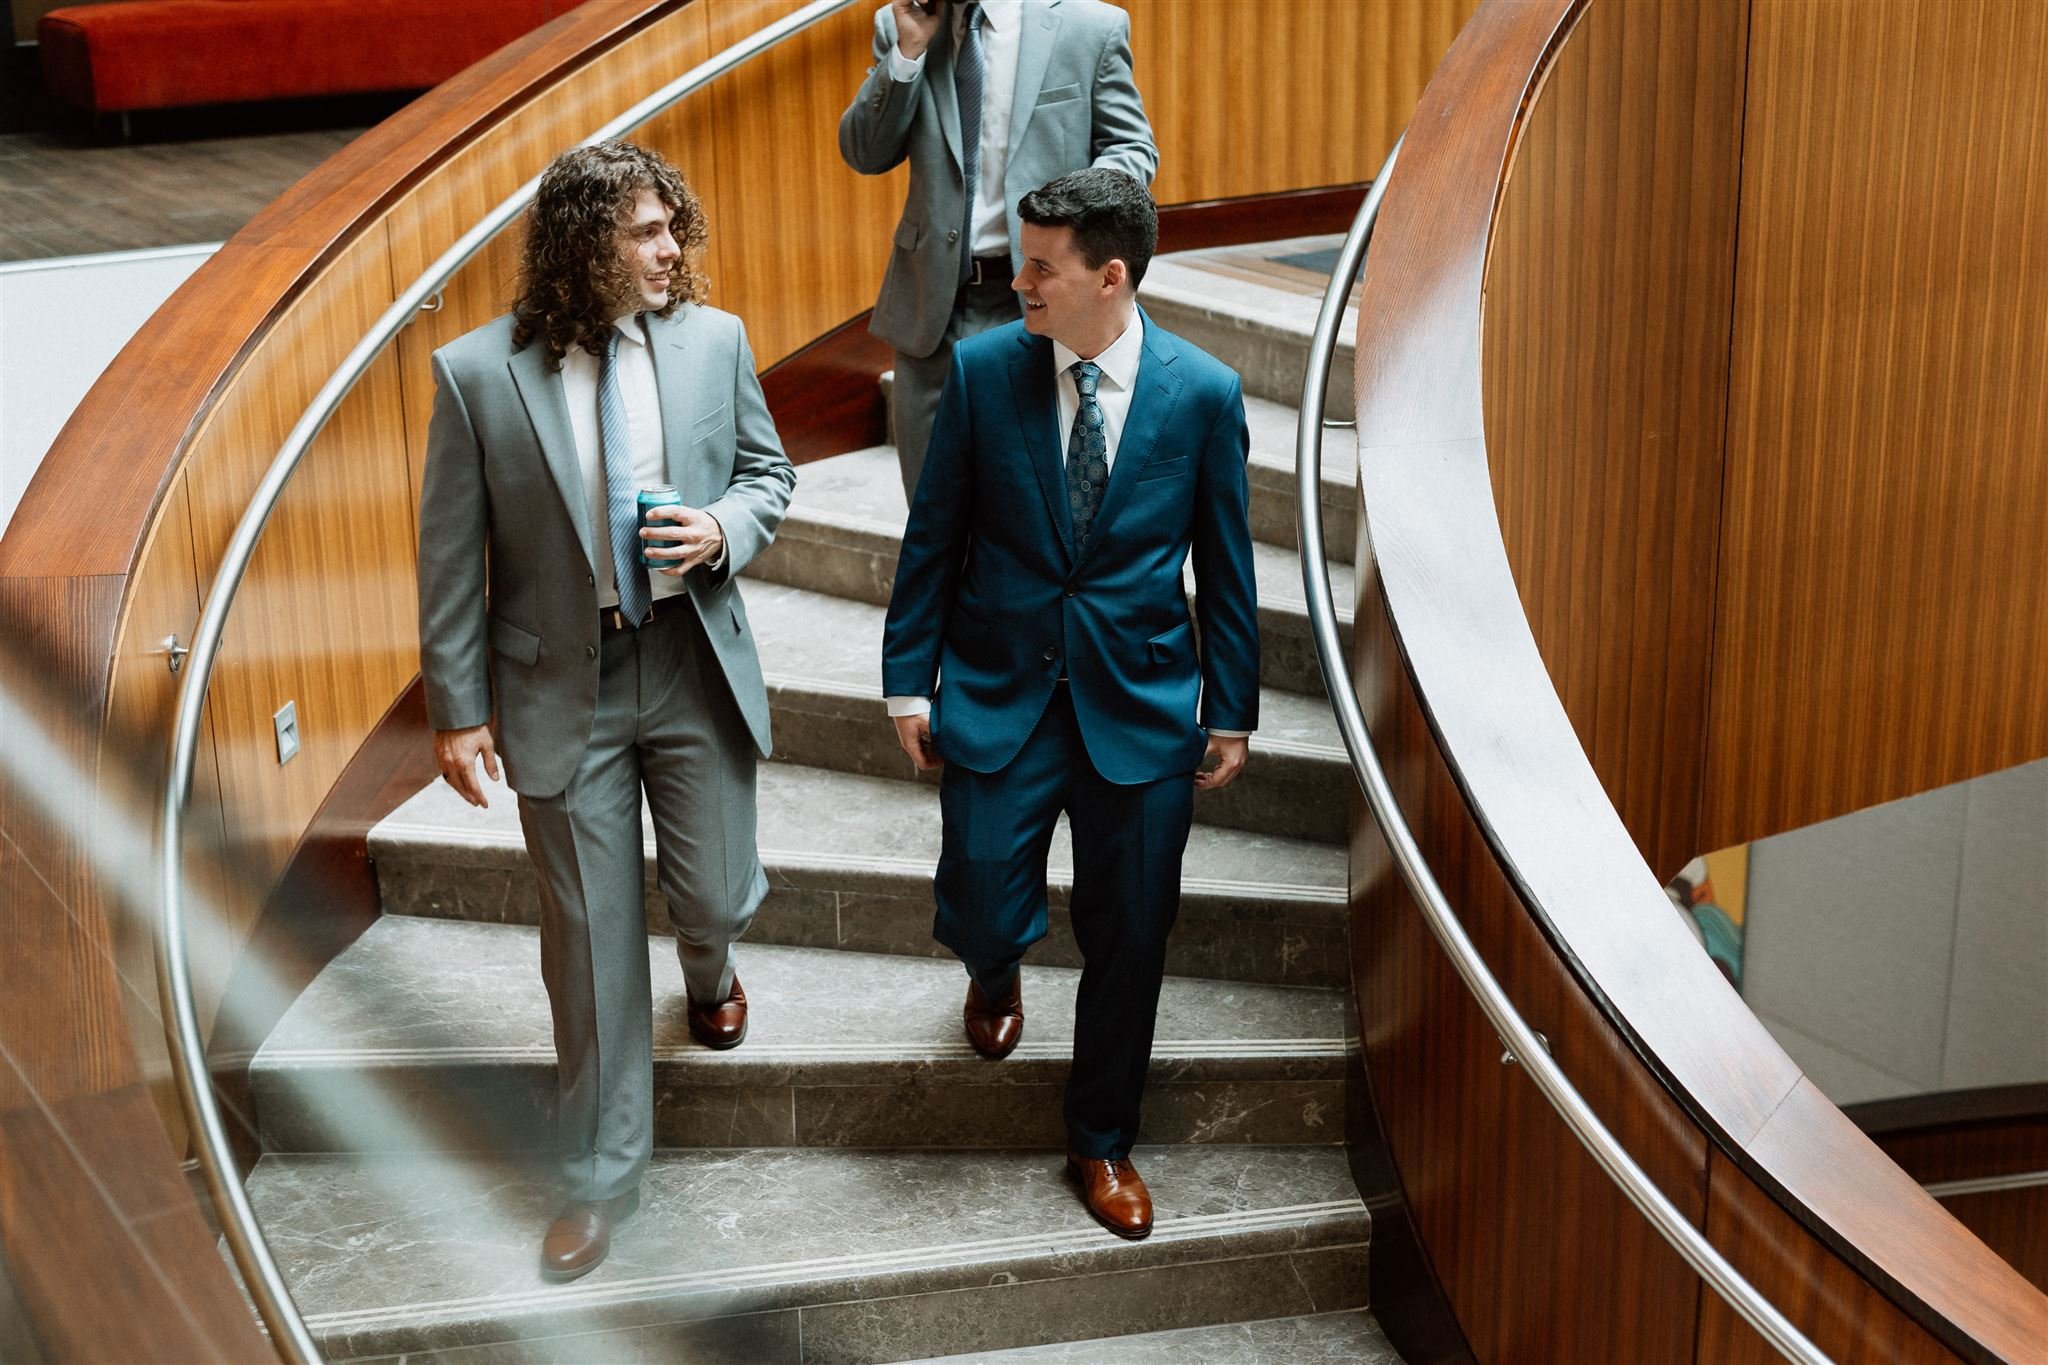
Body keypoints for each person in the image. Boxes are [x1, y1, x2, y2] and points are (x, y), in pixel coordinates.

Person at [415, 140, 794, 1282]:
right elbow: (449, 555)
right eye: (644, 230)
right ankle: (598, 1178)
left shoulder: (714, 344)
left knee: (714, 890)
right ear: (585, 243)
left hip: (688, 660)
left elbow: (768, 475)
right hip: (556, 689)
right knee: (588, 946)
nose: (671, 248)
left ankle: (712, 969)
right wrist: (455, 706)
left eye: (672, 225)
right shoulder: (477, 373)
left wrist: (726, 527)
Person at [881, 168, 1258, 1239]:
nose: (1015, 281)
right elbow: (933, 538)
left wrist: (1228, 708)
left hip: (1139, 702)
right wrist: (908, 675)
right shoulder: (982, 371)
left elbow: (1225, 570)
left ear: (1110, 277)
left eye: (1037, 266)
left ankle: (1100, 1140)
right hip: (999, 686)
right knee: (979, 892)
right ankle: (992, 971)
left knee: (1130, 934)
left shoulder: (1202, 393)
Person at [839, 0, 1157, 503]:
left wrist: (1078, 218)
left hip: (1044, 303)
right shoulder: (901, 26)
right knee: (931, 507)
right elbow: (865, 152)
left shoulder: (1090, 26)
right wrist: (908, 50)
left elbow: (1132, 146)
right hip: (934, 310)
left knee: (1032, 505)